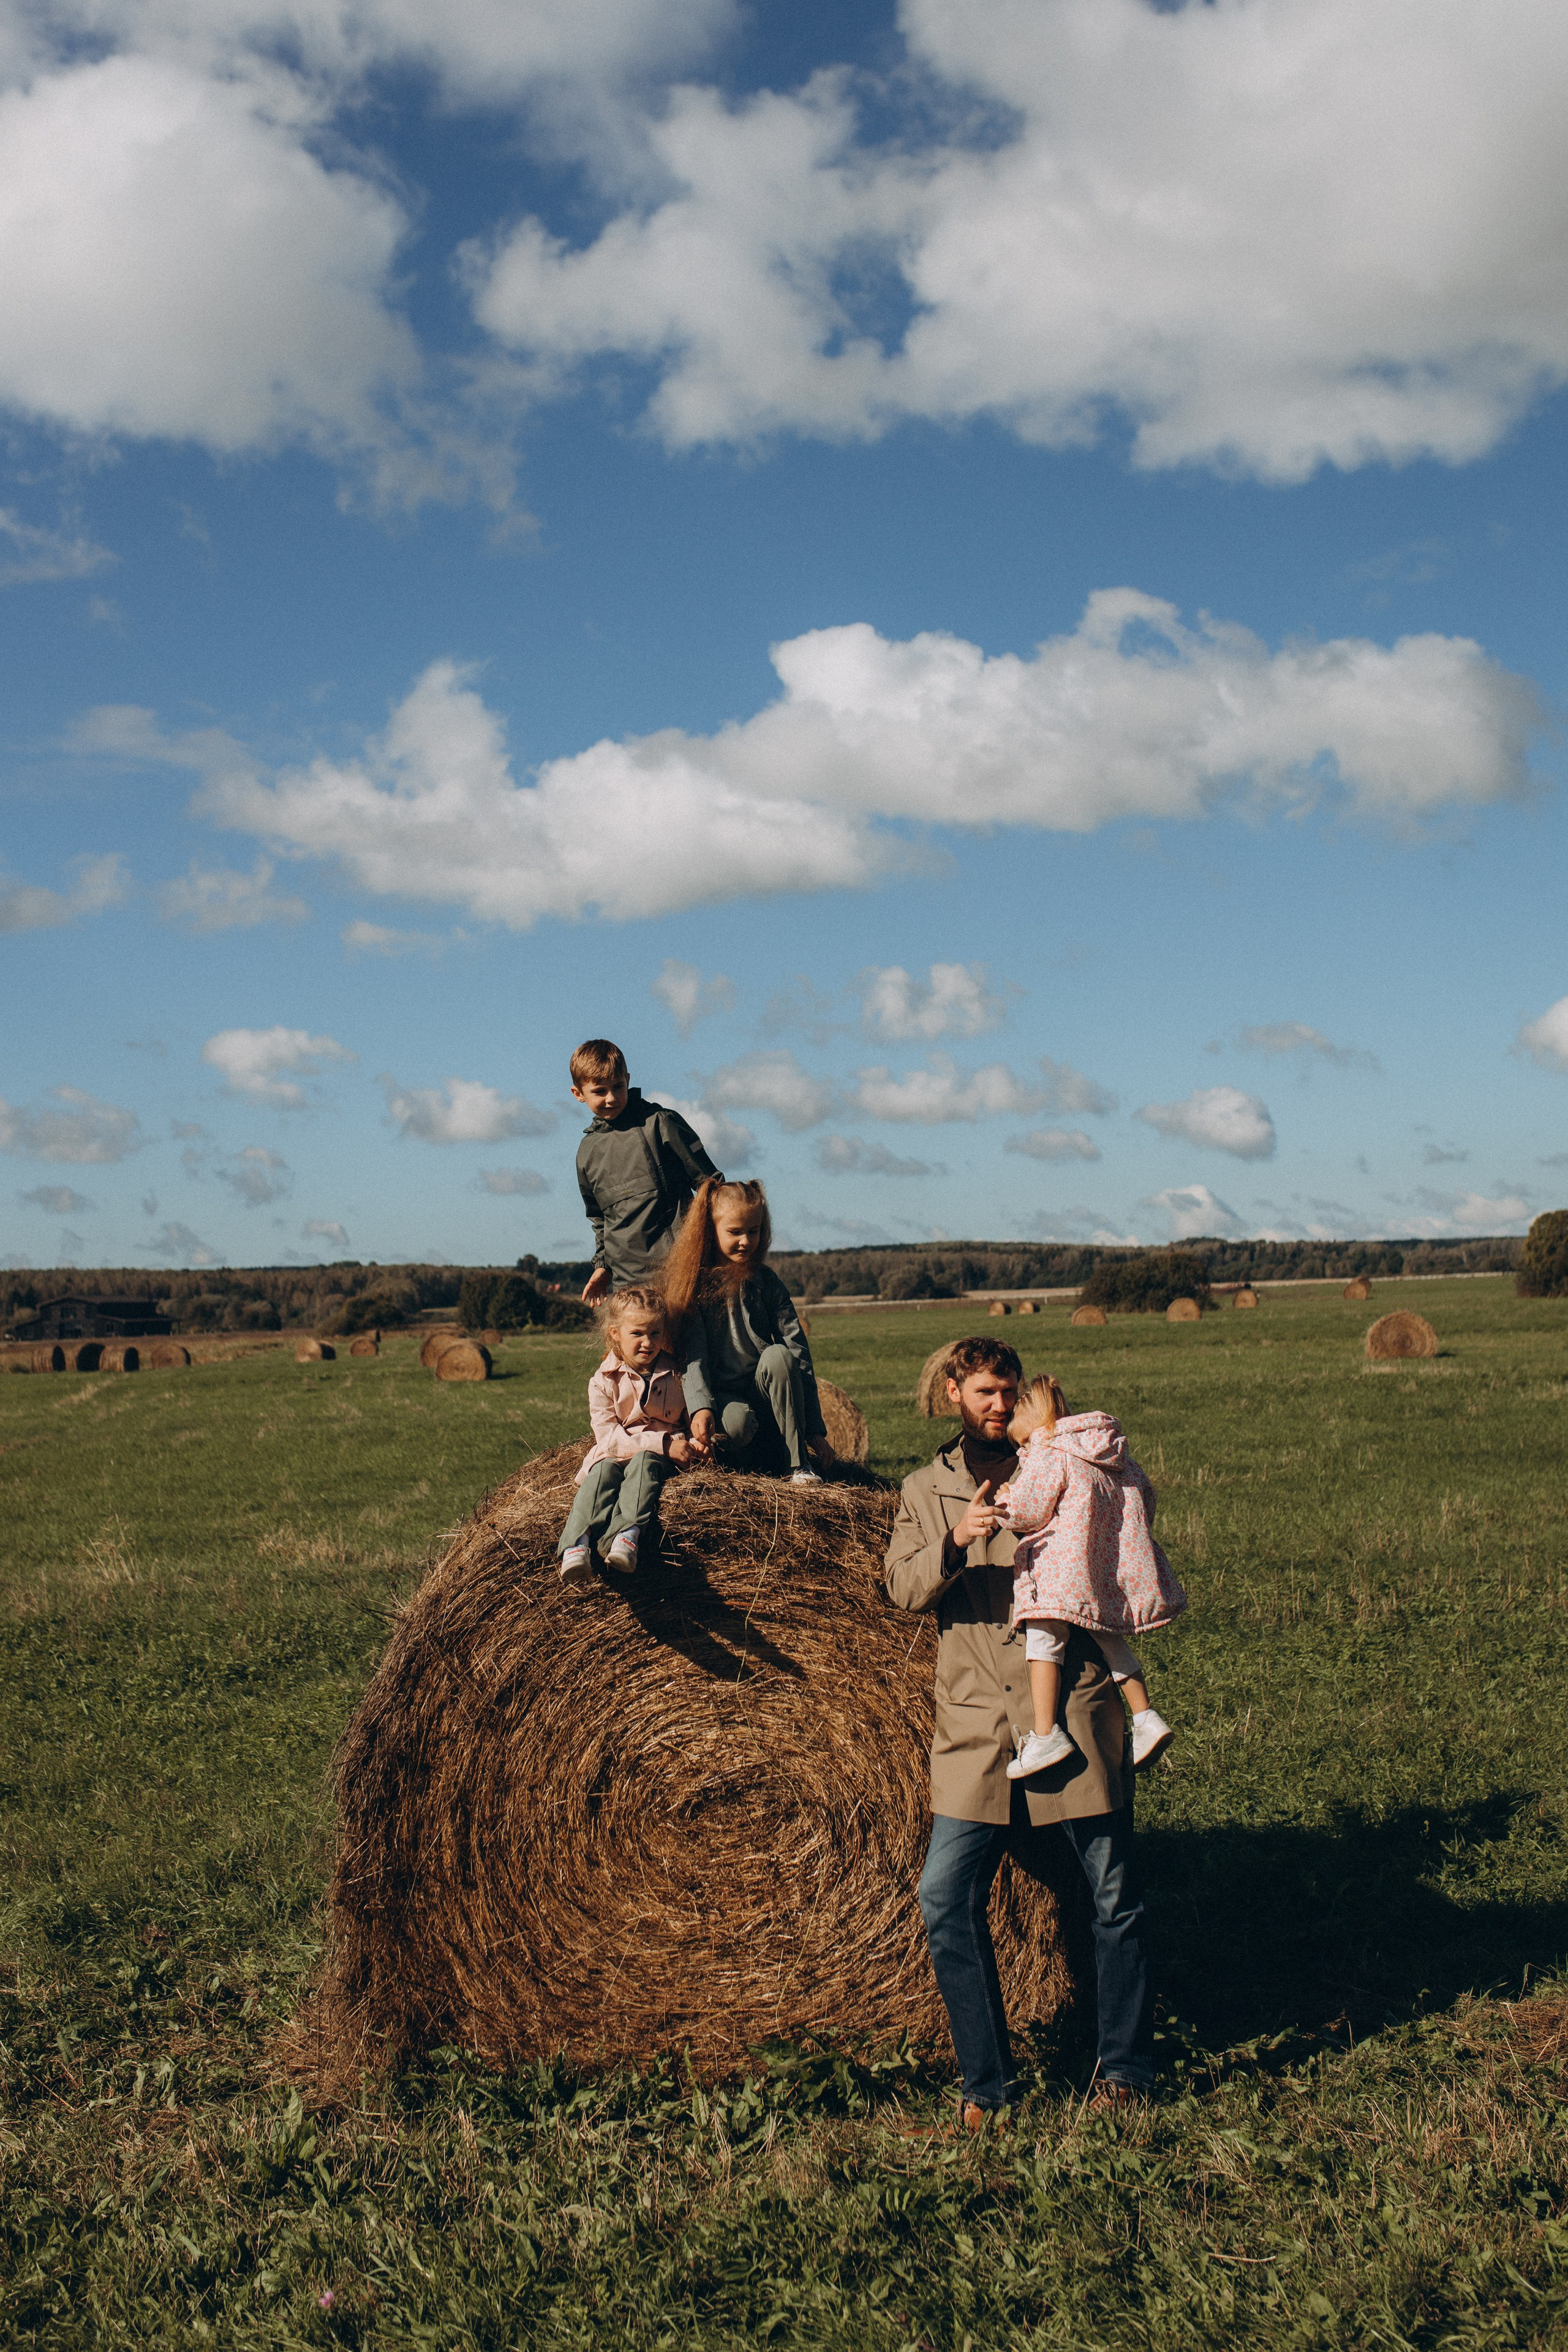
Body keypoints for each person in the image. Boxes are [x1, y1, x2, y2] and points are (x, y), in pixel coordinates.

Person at [884, 1335, 1155, 2124]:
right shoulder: (923, 1488)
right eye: (982, 1394)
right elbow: (901, 1587)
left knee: (1115, 1896)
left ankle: (1126, 2070)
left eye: (1007, 1392)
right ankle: (987, 2085)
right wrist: (956, 1542)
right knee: (943, 1896)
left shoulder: (1068, 1462)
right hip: (974, 1727)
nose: (998, 1406)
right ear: (951, 1397)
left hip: (1070, 1705)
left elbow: (1126, 1542)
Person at [1001, 1374, 1183, 1781]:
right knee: (1110, 1640)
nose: (1022, 1451)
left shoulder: (1052, 1450)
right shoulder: (1114, 1451)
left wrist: (1004, 1503)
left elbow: (1030, 1510)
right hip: (1105, 1568)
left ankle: (1046, 1735)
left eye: (1021, 1442)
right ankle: (1147, 1717)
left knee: (1044, 1643)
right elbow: (1146, 1501)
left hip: (1062, 1572)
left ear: (1036, 1427)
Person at [660, 1175, 829, 1485]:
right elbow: (693, 1356)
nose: (746, 1241)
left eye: (754, 1231)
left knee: (780, 1355)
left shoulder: (767, 1282)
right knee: (738, 1425)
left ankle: (798, 1466)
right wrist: (700, 1408)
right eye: (735, 1232)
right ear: (710, 1232)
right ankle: (751, 1467)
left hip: (765, 1393)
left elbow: (799, 1352)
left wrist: (815, 1428)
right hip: (723, 1399)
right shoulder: (694, 1286)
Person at [557, 1284, 696, 1587]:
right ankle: (576, 1544)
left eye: (656, 1334)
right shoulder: (602, 1382)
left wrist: (694, 1442)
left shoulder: (677, 1374)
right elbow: (608, 1439)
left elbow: (689, 1420)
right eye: (638, 1334)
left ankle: (626, 1536)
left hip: (657, 1459)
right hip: (620, 1452)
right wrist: (664, 1443)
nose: (648, 1343)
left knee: (645, 1463)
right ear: (615, 1334)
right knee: (602, 1470)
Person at [571, 1039, 721, 1305]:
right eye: (600, 1091)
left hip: (683, 1277)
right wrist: (602, 1265)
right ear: (578, 1093)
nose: (612, 1098)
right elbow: (600, 1219)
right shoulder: (587, 1153)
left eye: (618, 1087)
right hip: (627, 1290)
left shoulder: (661, 1123)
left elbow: (712, 1186)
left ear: (628, 1080)